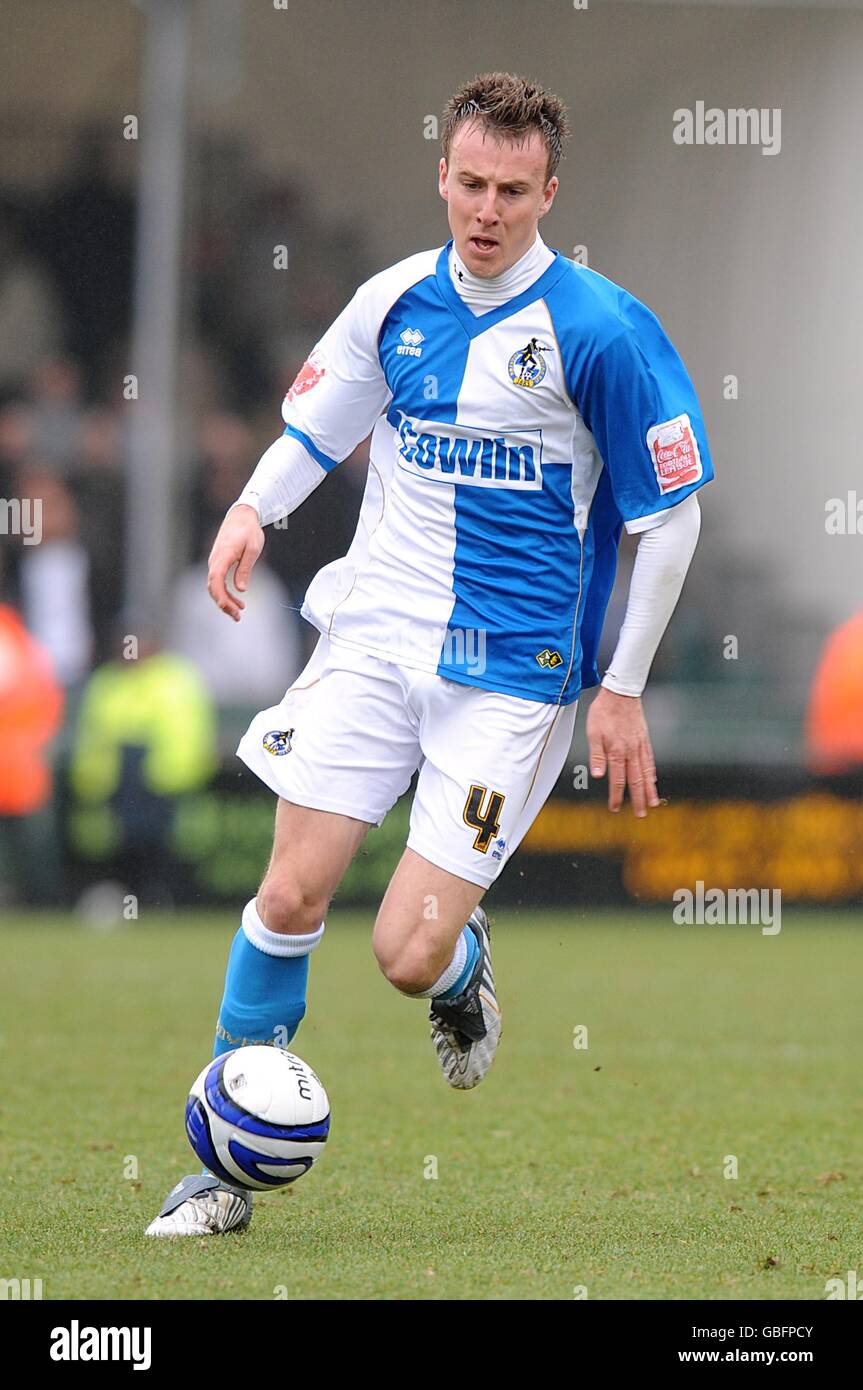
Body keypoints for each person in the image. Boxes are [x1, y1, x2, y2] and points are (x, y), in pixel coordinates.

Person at [146, 72, 712, 1237]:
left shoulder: (601, 330)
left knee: (401, 952)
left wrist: (620, 688)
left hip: (512, 674)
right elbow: (322, 420)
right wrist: (255, 507)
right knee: (289, 887)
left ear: (549, 192)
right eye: (468, 182)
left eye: (512, 190)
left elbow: (670, 515)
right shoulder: (391, 300)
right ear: (439, 175)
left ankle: (456, 968)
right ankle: (217, 1173)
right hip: (375, 634)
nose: (486, 209)